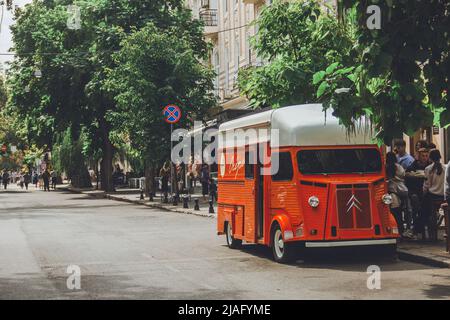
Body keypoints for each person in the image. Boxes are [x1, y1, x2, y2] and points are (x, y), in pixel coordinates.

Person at [422, 149, 446, 239]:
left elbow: (426, 185)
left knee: (424, 210)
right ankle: (439, 218)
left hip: (432, 196)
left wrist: (423, 194)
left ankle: (430, 232)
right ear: (440, 157)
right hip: (443, 196)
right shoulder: (445, 168)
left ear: (430, 158)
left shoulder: (428, 169)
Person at [386, 152, 410, 237]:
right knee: (401, 212)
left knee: (394, 213)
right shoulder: (399, 167)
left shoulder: (386, 168)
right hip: (401, 191)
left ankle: (396, 230)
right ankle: (402, 230)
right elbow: (403, 175)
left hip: (391, 193)